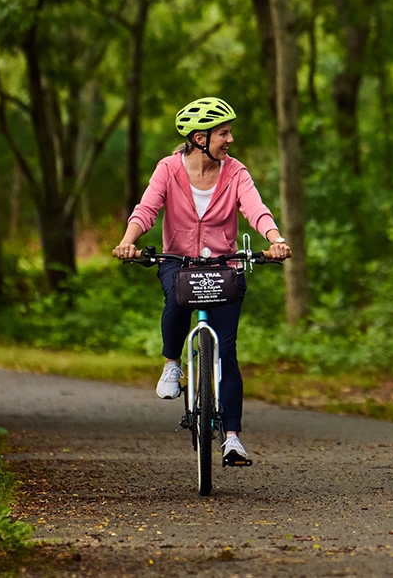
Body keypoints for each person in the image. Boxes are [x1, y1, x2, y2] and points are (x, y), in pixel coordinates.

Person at [112, 96, 291, 467]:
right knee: (176, 299)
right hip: (178, 261)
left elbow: (255, 208)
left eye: (228, 132)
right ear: (198, 138)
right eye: (222, 133)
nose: (229, 139)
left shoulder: (236, 172)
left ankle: (232, 439)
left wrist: (274, 239)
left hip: (224, 264)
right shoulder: (167, 169)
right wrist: (128, 242)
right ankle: (171, 364)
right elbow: (147, 209)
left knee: (226, 350)